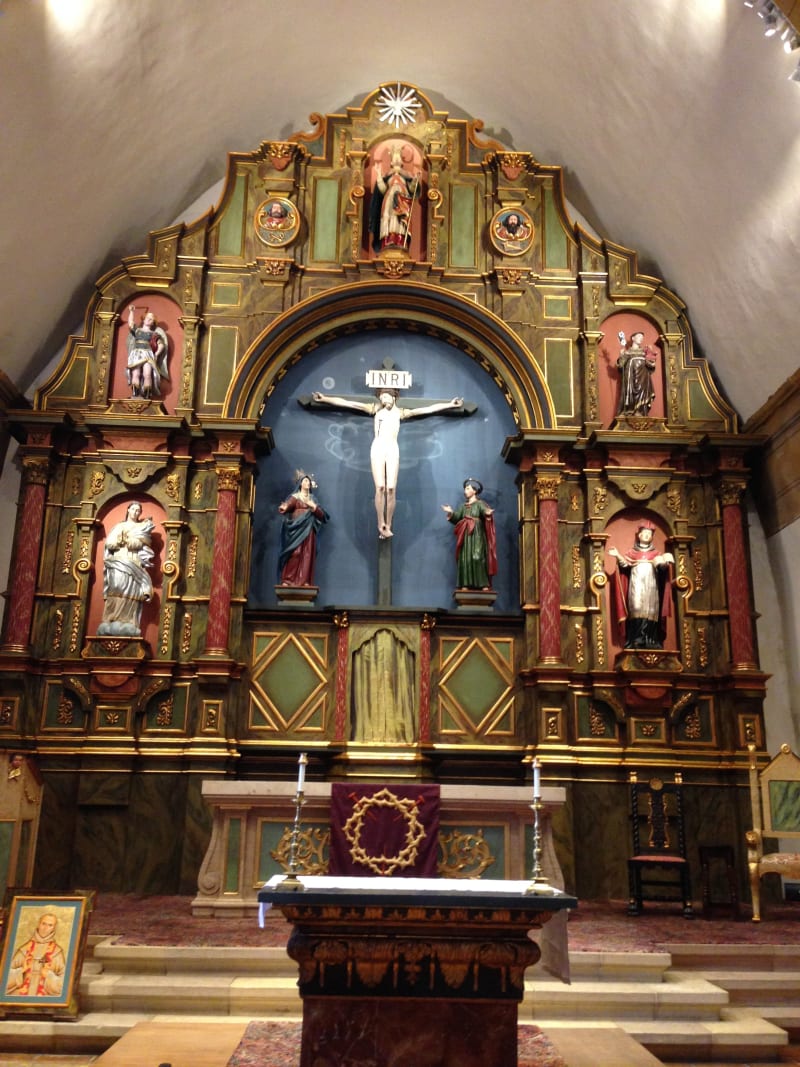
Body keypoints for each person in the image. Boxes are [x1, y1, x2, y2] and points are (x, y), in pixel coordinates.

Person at [312, 388, 464, 538]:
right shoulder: (374, 409)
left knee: (391, 488)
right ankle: (380, 524)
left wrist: (450, 405)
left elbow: (427, 409)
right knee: (380, 487)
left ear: (393, 398)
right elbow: (347, 403)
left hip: (392, 448)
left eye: (387, 397)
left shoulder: (401, 412)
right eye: (382, 398)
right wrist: (324, 399)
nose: (384, 400)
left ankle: (388, 524)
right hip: (378, 448)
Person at [608, 522, 674, 649]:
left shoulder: (656, 554)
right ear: (639, 535)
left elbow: (661, 571)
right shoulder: (632, 553)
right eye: (644, 533)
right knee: (637, 607)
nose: (646, 535)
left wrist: (664, 565)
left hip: (651, 584)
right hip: (636, 583)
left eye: (649, 534)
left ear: (652, 537)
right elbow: (625, 566)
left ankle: (651, 639)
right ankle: (636, 638)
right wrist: (617, 555)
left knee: (652, 609)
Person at [98, 501, 155, 637]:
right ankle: (110, 618)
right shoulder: (119, 526)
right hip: (118, 560)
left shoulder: (141, 528)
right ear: (128, 510)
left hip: (133, 561)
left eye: (138, 511)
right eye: (133, 509)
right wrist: (119, 541)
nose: (135, 512)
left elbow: (143, 544)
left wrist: (132, 541)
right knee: (117, 587)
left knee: (131, 591)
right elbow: (110, 544)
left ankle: (129, 621)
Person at [441, 478, 497, 590]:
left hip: (477, 534)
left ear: (474, 491)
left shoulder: (480, 504)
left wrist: (487, 514)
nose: (465, 491)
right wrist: (451, 512)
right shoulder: (463, 506)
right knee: (465, 558)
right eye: (465, 489)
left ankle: (483, 584)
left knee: (478, 557)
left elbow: (485, 512)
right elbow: (457, 517)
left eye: (468, 488)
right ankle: (465, 584)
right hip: (465, 535)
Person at [277, 473, 329, 586]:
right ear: (300, 483)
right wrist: (284, 507)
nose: (308, 483)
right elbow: (288, 504)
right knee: (295, 553)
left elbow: (322, 516)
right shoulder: (296, 497)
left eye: (309, 481)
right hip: (296, 529)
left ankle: (304, 581)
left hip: (308, 530)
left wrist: (314, 507)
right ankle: (288, 580)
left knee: (307, 554)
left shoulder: (312, 499)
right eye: (305, 481)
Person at [369, 144, 420, 253]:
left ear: (402, 162)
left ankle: (400, 241)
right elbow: (382, 189)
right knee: (389, 219)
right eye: (394, 159)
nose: (396, 161)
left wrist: (415, 180)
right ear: (391, 162)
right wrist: (378, 175)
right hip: (389, 202)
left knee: (400, 221)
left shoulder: (406, 176)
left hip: (402, 202)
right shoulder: (388, 176)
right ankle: (388, 240)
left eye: (399, 158)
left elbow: (412, 189)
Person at [6, 912, 66, 997]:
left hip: (44, 998)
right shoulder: (24, 950)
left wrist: (48, 976)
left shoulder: (57, 952)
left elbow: (64, 984)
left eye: (50, 925)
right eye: (43, 924)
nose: (45, 928)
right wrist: (21, 971)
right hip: (20, 996)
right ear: (38, 924)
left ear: (54, 928)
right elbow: (4, 978)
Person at [126, 305, 169, 399]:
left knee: (147, 374)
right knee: (136, 373)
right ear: (144, 319)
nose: (150, 319)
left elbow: (161, 345)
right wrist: (132, 311)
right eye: (148, 318)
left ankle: (147, 395)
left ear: (153, 322)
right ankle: (135, 394)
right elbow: (130, 323)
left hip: (148, 354)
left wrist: (156, 354)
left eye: (152, 319)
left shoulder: (154, 334)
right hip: (137, 354)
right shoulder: (137, 331)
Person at [616, 330, 657, 417]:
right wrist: (621, 356)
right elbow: (620, 365)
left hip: (643, 376)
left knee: (642, 392)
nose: (641, 339)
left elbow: (650, 363)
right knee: (629, 391)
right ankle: (629, 411)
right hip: (630, 375)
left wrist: (652, 362)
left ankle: (640, 410)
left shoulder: (644, 351)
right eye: (639, 337)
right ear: (633, 338)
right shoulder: (628, 352)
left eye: (642, 338)